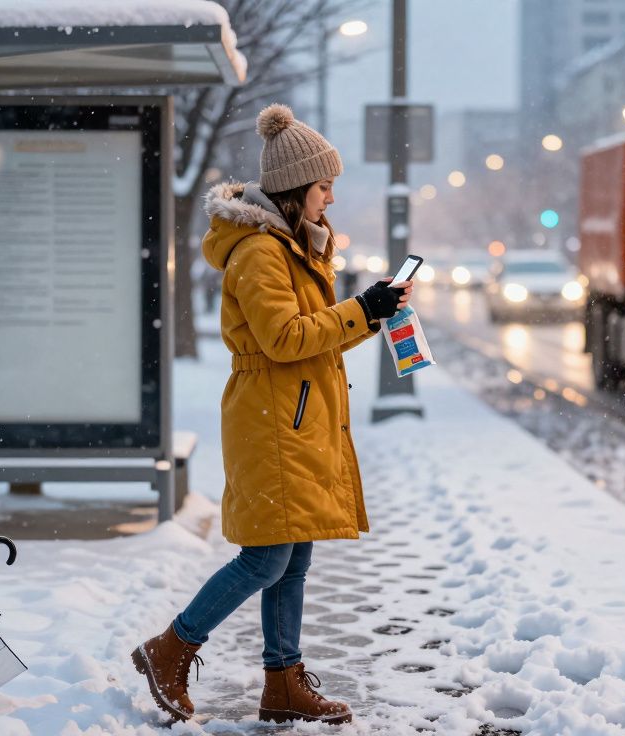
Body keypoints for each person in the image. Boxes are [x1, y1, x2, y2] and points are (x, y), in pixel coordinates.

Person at [131, 104, 413, 725]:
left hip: (295, 417)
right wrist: (357, 310)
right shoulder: (262, 253)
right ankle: (171, 647)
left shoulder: (295, 249)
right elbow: (285, 338)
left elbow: (315, 335)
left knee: (294, 554)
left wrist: (373, 314)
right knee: (266, 558)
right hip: (272, 419)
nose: (330, 199)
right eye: (323, 186)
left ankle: (283, 682)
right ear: (294, 190)